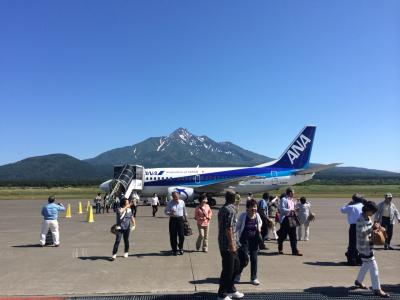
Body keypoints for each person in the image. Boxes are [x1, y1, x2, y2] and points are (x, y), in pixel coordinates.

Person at [354, 201, 389, 298]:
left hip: (368, 245)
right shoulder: (360, 219)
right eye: (372, 212)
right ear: (367, 210)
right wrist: (372, 228)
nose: (373, 214)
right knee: (374, 267)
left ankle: (358, 281)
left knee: (365, 264)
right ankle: (377, 289)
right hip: (363, 247)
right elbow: (362, 233)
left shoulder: (367, 217)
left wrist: (379, 227)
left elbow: (371, 228)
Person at [217, 191, 243, 300]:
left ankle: (230, 289)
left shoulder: (224, 208)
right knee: (228, 269)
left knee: (236, 265)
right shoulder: (230, 210)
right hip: (228, 244)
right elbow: (229, 229)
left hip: (227, 242)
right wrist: (232, 245)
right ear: (233, 198)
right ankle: (222, 294)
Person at [235, 199, 263, 286]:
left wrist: (259, 227)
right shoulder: (243, 216)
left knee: (254, 259)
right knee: (243, 259)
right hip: (244, 240)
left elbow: (260, 222)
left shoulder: (257, 215)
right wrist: (234, 239)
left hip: (254, 240)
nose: (254, 209)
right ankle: (238, 274)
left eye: (255, 207)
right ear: (248, 208)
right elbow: (237, 227)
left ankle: (253, 278)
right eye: (252, 207)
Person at [277, 187, 302, 256]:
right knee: (283, 236)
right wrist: (291, 210)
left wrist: (295, 209)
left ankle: (295, 251)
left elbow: (292, 209)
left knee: (293, 236)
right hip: (285, 219)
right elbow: (282, 209)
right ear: (290, 193)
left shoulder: (292, 200)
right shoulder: (283, 199)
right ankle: (280, 247)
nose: (294, 194)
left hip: (292, 218)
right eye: (293, 192)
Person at [341, 194, 364, 265]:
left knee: (352, 243)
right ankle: (360, 259)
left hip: (354, 226)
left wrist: (348, 204)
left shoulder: (351, 206)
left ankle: (352, 259)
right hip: (363, 225)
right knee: (361, 243)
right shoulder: (363, 206)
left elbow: (342, 210)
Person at [164, 191, 187, 255]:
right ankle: (174, 250)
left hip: (180, 219)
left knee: (182, 235)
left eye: (176, 197)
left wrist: (186, 219)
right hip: (173, 220)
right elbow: (165, 211)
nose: (175, 198)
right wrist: (170, 213)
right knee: (173, 236)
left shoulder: (182, 202)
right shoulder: (170, 203)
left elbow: (185, 211)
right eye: (174, 197)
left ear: (179, 196)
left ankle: (181, 247)